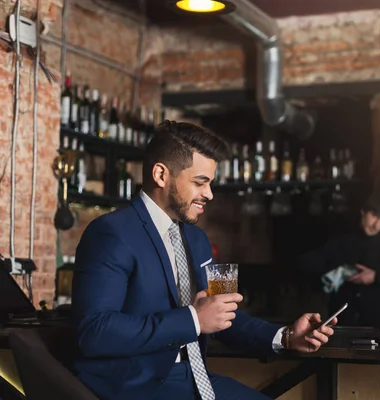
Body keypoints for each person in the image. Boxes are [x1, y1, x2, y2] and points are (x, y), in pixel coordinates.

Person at [71, 121, 336, 400]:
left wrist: (285, 336)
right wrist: (194, 319)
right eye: (200, 182)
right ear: (161, 175)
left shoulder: (197, 239)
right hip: (136, 386)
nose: (209, 194)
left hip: (195, 377)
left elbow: (221, 315)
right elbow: (94, 331)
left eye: (210, 183)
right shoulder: (111, 233)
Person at [296, 193, 380, 329]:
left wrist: (376, 276)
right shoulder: (339, 238)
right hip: (343, 321)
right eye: (374, 216)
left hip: (379, 322)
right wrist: (338, 271)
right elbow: (307, 262)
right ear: (363, 211)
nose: (376, 225)